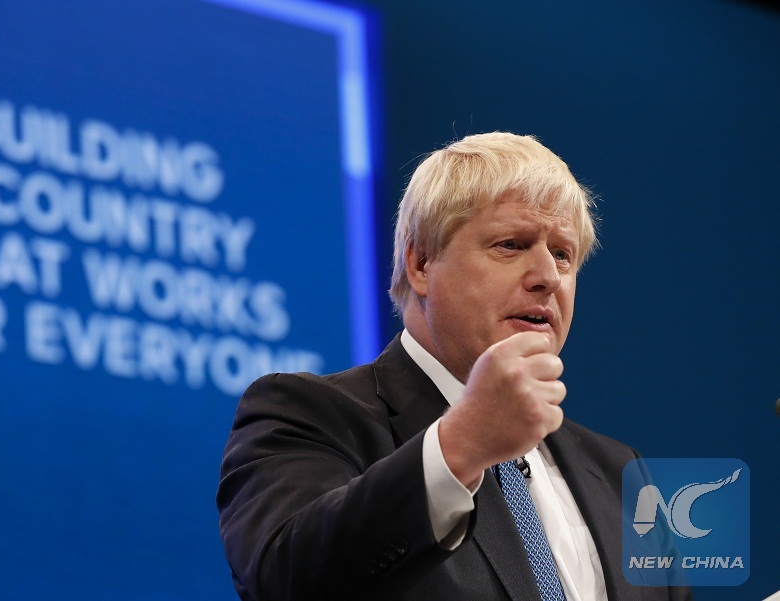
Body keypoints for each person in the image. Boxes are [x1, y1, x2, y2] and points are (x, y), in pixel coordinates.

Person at [217, 132, 691, 600]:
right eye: (512, 244)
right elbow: (287, 580)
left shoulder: (620, 472)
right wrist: (461, 444)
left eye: (563, 254)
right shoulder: (310, 414)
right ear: (422, 264)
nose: (548, 277)